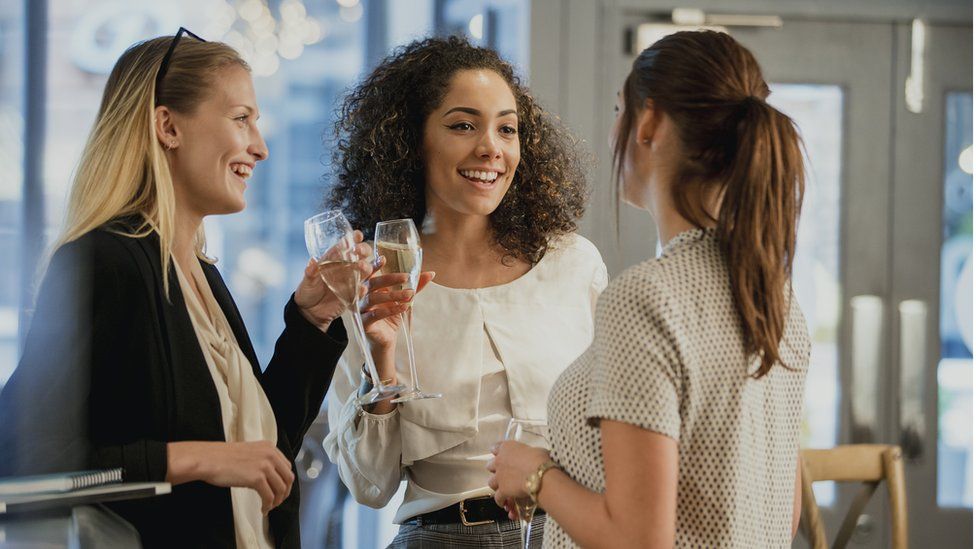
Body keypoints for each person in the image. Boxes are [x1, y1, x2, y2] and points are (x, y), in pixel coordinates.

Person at [0, 31, 406, 548]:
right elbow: (21, 455)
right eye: (241, 119)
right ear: (167, 126)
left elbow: (264, 455)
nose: (260, 147)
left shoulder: (201, 274)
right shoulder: (105, 259)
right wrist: (195, 458)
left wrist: (313, 320)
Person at [488, 30, 812, 548]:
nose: (614, 128)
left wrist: (536, 475)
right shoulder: (778, 300)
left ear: (650, 124)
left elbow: (639, 541)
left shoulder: (645, 300)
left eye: (621, 108)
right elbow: (783, 510)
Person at [323, 36, 607, 548]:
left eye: (507, 128)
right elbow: (370, 485)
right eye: (462, 125)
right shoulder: (373, 283)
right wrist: (381, 361)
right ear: (412, 142)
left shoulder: (573, 265)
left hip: (567, 534)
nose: (491, 148)